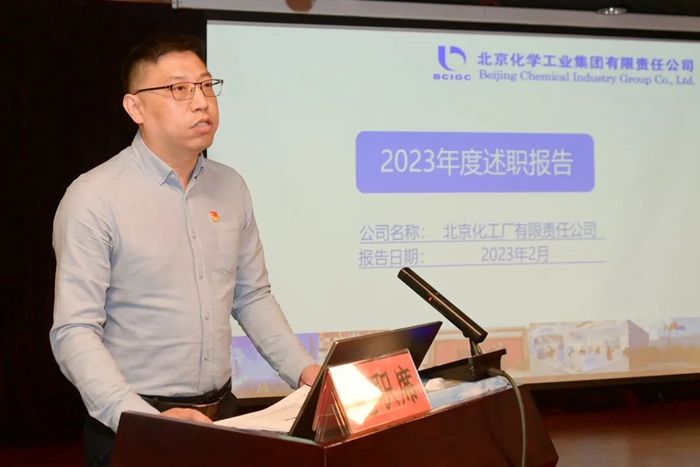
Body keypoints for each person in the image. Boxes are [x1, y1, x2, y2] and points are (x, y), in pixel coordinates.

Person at [49, 33, 321, 467]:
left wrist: (308, 374)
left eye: (207, 85)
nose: (201, 102)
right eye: (179, 89)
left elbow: (252, 297)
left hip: (223, 415)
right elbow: (74, 331)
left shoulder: (230, 186)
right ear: (135, 108)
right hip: (134, 421)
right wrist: (142, 421)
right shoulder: (94, 197)